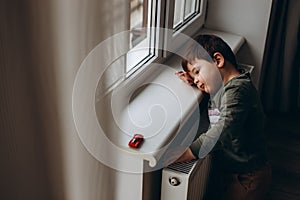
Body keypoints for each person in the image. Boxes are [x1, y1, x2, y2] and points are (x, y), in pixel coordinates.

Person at [174, 34, 272, 200]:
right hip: (231, 170)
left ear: (218, 60)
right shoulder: (221, 87)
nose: (197, 80)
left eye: (197, 71)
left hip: (248, 176)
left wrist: (188, 152)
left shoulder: (239, 90)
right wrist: (196, 80)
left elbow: (223, 130)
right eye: (193, 76)